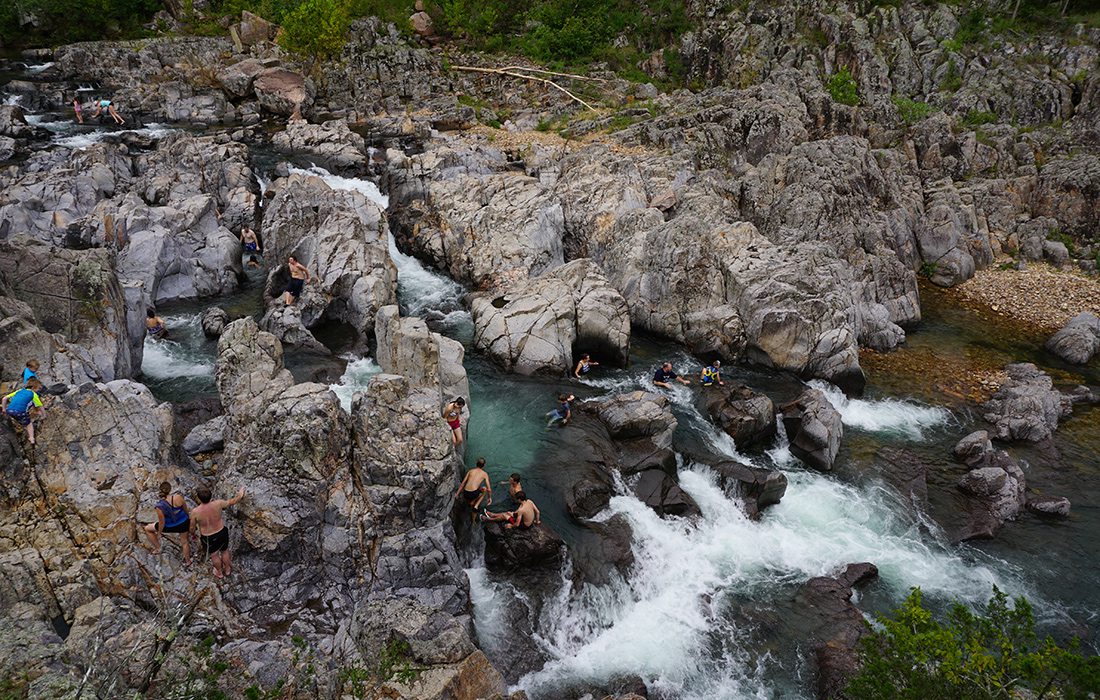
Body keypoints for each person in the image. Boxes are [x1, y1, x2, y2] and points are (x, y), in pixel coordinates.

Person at [190, 484, 245, 579]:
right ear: (211, 496)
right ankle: (227, 569)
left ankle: (219, 572)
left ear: (199, 498)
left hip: (208, 537)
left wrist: (193, 534)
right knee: (224, 551)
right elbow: (232, 501)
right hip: (221, 532)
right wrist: (240, 494)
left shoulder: (195, 512)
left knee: (214, 555)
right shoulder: (218, 504)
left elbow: (192, 527)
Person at [144, 481, 192, 564]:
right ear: (170, 489)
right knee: (184, 542)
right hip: (183, 522)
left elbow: (162, 522)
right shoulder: (178, 497)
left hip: (170, 526)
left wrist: (159, 533)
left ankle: (158, 548)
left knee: (147, 528)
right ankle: (188, 561)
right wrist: (189, 520)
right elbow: (185, 510)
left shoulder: (160, 506)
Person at [2, 378, 45, 445]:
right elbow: (40, 406)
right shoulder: (33, 394)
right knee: (29, 423)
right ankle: (31, 438)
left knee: (14, 422)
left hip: (9, 410)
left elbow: (4, 398)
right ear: (34, 387)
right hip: (20, 412)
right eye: (38, 389)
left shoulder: (19, 390)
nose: (38, 391)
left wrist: (4, 409)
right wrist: (44, 415)